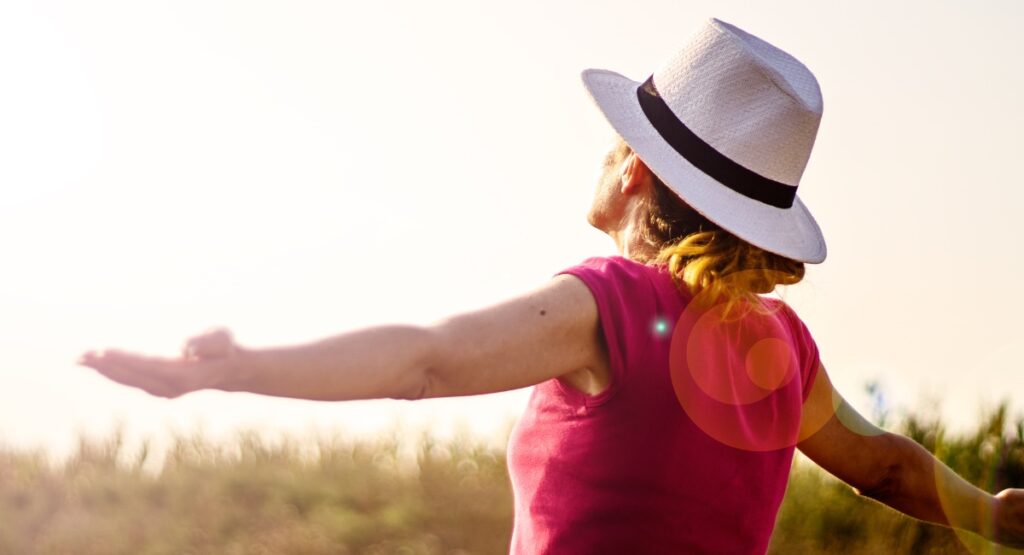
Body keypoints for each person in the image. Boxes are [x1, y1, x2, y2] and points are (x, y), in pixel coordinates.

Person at [77, 16, 1024, 555]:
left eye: (620, 140)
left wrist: (236, 369)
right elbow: (889, 467)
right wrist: (992, 514)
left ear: (635, 175)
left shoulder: (608, 308)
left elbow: (428, 361)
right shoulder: (783, 348)